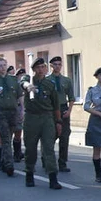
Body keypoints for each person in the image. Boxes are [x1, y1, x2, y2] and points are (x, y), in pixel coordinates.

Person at [21, 58, 63, 189]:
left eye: (43, 67)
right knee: (31, 148)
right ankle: (29, 174)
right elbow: (23, 82)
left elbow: (56, 106)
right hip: (31, 118)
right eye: (38, 67)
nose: (41, 70)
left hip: (46, 118)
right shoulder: (28, 80)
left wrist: (58, 122)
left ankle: (53, 177)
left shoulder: (49, 85)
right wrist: (28, 86)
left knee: (49, 148)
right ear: (34, 69)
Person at [0, 58, 22, 176]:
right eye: (0, 65)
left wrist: (23, 110)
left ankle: (3, 160)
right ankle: (9, 165)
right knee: (5, 139)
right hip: (0, 112)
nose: (3, 68)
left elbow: (20, 95)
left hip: (13, 111)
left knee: (10, 136)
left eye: (4, 65)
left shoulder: (13, 79)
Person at [47, 56, 75, 173]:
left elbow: (71, 97)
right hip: (51, 109)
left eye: (59, 64)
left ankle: (62, 163)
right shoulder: (47, 80)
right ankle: (48, 161)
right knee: (49, 137)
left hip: (63, 108)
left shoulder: (66, 80)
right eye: (55, 64)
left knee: (64, 137)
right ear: (51, 66)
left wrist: (69, 110)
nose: (58, 66)